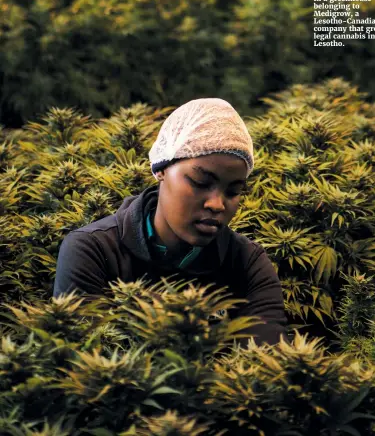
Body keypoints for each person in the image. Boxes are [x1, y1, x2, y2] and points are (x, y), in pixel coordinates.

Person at [53, 98, 290, 347]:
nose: (217, 204)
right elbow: (82, 361)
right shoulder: (93, 251)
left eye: (233, 191)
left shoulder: (247, 262)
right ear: (161, 169)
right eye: (200, 182)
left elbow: (268, 363)